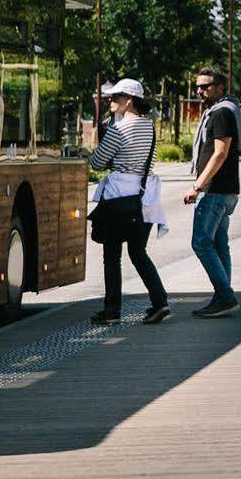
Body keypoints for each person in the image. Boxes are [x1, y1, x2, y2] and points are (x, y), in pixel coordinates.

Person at [88, 78, 170, 325]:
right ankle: (160, 302)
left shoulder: (118, 129)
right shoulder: (150, 127)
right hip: (144, 197)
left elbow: (97, 162)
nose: (110, 102)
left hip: (118, 198)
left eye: (115, 98)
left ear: (129, 100)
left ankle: (112, 311)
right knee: (137, 251)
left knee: (112, 254)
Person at [183, 67, 241, 317]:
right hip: (225, 190)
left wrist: (197, 186)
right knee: (219, 244)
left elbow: (220, 153)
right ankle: (224, 295)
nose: (200, 91)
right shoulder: (222, 110)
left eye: (206, 86)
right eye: (198, 86)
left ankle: (224, 295)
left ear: (220, 87)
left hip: (215, 191)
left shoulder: (221, 113)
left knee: (200, 242)